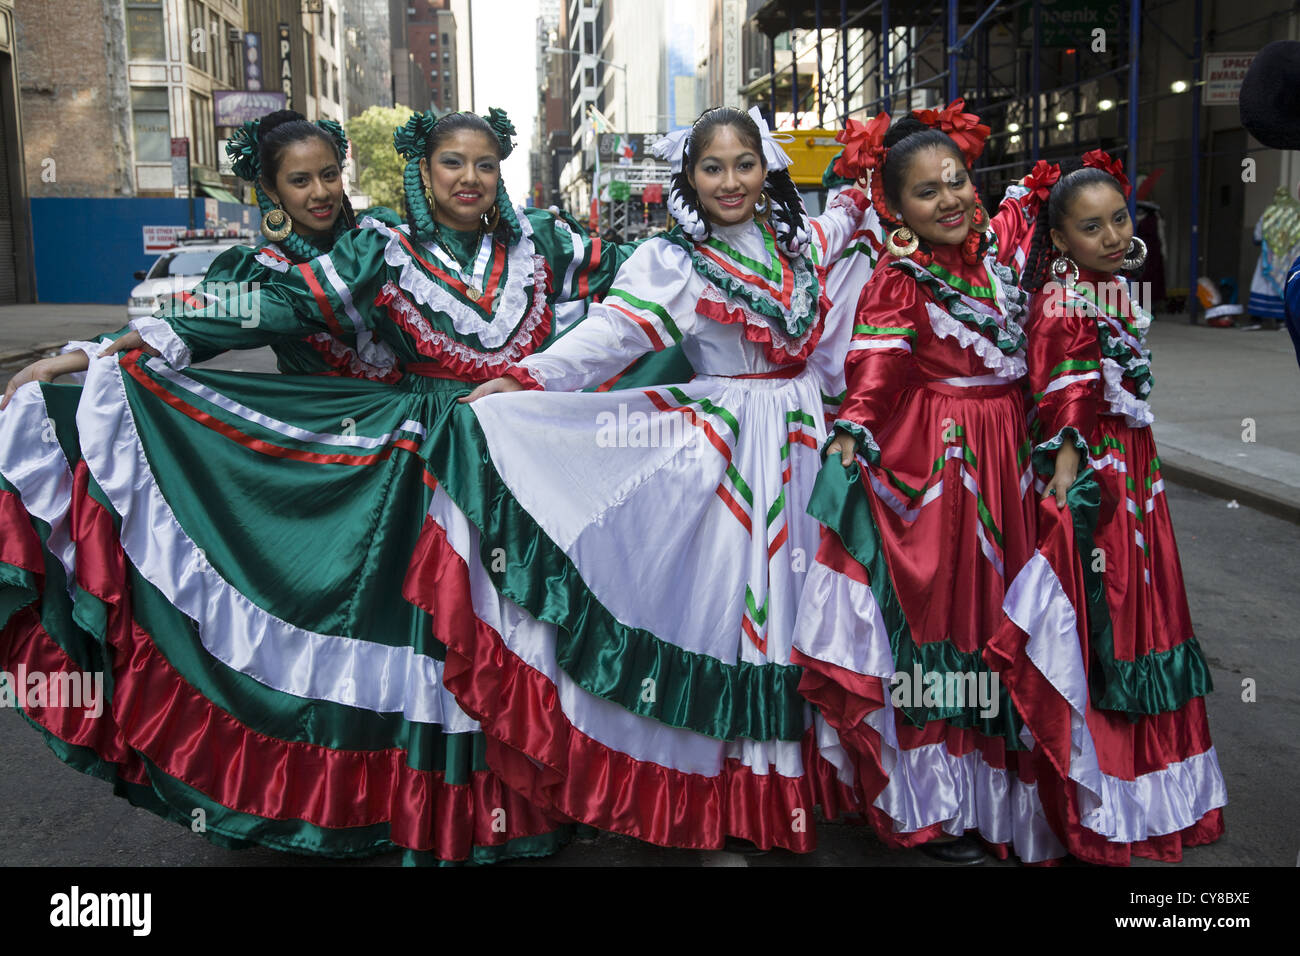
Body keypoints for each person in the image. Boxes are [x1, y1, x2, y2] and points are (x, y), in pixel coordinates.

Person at [0, 107, 644, 864]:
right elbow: (257, 309)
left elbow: (642, 282)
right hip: (418, 460)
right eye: (450, 163)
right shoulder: (382, 247)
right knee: (435, 639)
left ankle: (554, 788)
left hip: (528, 456)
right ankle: (431, 805)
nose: (469, 178)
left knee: (531, 624)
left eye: (483, 164)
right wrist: (97, 352)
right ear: (419, 171)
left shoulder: (542, 242)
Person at [408, 105, 879, 852]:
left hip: (802, 451)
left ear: (770, 170)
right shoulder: (676, 262)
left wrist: (870, 174)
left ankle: (791, 789)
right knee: (727, 618)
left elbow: (854, 219)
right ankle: (729, 795)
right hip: (723, 453)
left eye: (745, 164)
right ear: (689, 178)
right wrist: (526, 380)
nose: (731, 181)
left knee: (799, 611)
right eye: (712, 167)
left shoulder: (800, 245)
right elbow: (610, 336)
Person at [788, 102, 1060, 864]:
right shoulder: (899, 280)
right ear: (894, 207)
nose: (949, 199)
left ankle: (1001, 793)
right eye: (926, 191)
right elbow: (875, 372)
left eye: (958, 181)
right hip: (944, 467)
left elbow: (1034, 222)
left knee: (1006, 618)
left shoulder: (996, 262)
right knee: (949, 626)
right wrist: (853, 429)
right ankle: (934, 802)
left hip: (1008, 459)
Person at [992, 153, 1227, 864]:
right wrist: (1068, 490)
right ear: (1059, 241)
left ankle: (1149, 790)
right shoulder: (1066, 304)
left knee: (1142, 618)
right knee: (1111, 617)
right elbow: (1062, 400)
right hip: (1101, 486)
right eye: (1091, 227)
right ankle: (1108, 797)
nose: (1114, 235)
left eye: (1120, 219)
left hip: (1132, 473)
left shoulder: (1104, 290)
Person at [1, 110, 401, 409]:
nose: (320, 192)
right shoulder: (253, 269)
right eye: (300, 180)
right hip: (324, 436)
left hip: (408, 421)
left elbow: (293, 305)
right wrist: (72, 359)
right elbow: (192, 311)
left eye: (329, 174)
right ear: (271, 189)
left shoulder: (376, 239)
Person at [1244, 186, 1300, 331]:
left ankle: (1257, 319)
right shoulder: (1296, 213)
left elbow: (1257, 236)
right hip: (1289, 259)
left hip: (1268, 259)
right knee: (1284, 287)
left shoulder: (1269, 213)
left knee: (1262, 285)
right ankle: (1282, 321)